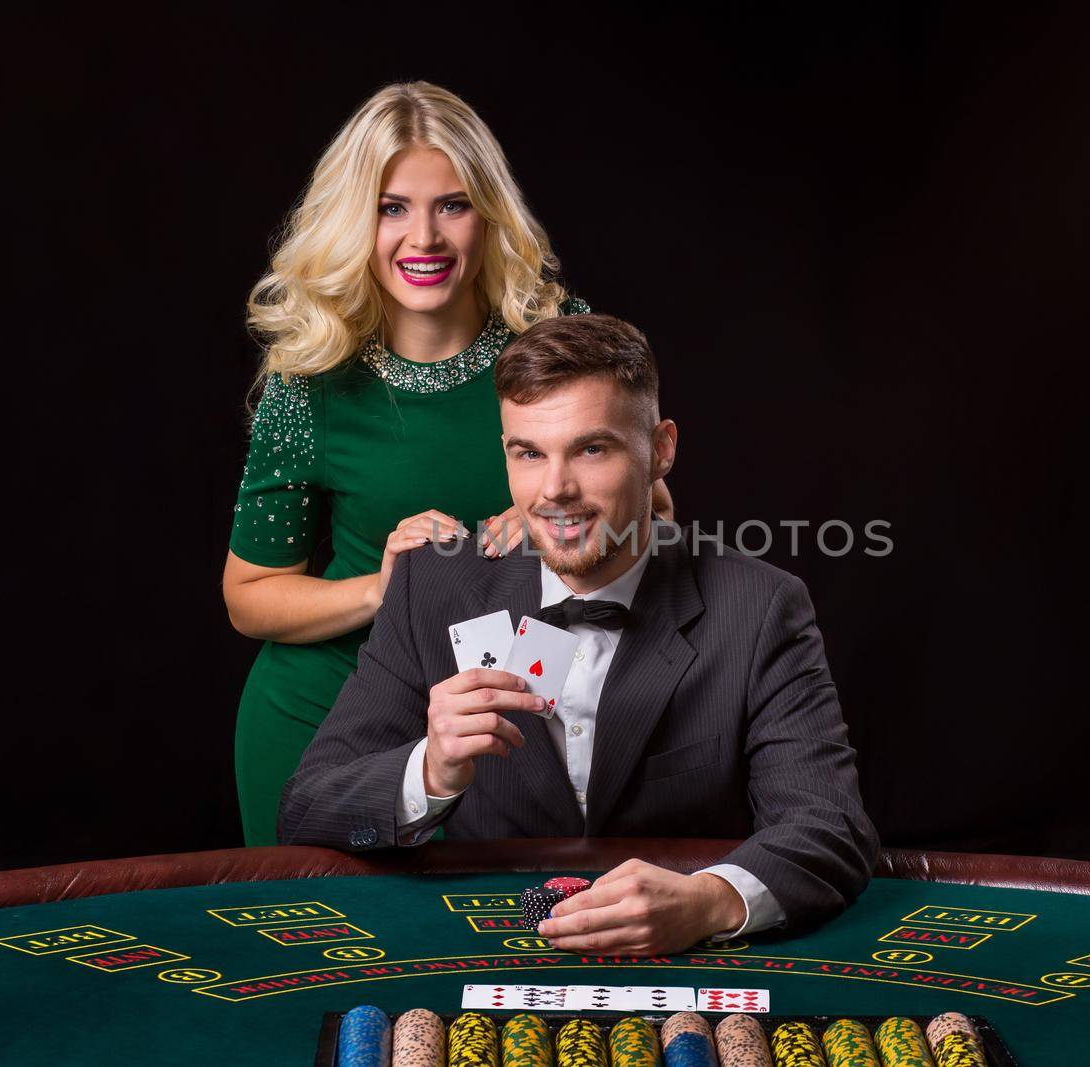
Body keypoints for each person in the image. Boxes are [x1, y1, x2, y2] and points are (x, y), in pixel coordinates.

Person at [279, 313, 878, 954]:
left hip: (684, 962)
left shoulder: (759, 605)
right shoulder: (434, 588)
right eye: (529, 453)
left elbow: (829, 824)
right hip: (490, 959)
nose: (555, 490)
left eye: (592, 449)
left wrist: (710, 900)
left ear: (662, 449)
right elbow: (308, 807)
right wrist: (431, 769)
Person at [222, 81, 673, 846]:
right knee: (343, 962)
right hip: (330, 715)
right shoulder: (308, 381)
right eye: (391, 207)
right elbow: (248, 595)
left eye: (452, 205)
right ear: (351, 221)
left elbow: (655, 512)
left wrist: (555, 524)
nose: (423, 237)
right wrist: (381, 588)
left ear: (488, 215)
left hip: (517, 710)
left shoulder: (553, 336)